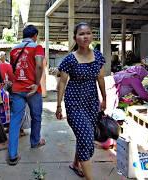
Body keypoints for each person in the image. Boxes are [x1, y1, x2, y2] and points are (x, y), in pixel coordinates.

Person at [55, 22, 106, 180]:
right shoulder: (69, 59)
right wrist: (58, 106)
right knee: (86, 137)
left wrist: (104, 98)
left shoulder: (98, 56)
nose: (85, 36)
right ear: (75, 38)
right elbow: (62, 82)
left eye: (88, 33)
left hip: (91, 102)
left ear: (92, 36)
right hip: (74, 103)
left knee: (85, 135)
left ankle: (75, 164)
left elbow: (100, 78)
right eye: (81, 34)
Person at [7, 24, 45, 166]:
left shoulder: (14, 49)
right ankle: (35, 142)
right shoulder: (37, 47)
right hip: (32, 89)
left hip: (17, 89)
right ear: (35, 35)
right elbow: (39, 65)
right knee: (36, 116)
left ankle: (12, 155)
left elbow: (13, 68)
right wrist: (36, 84)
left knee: (15, 120)